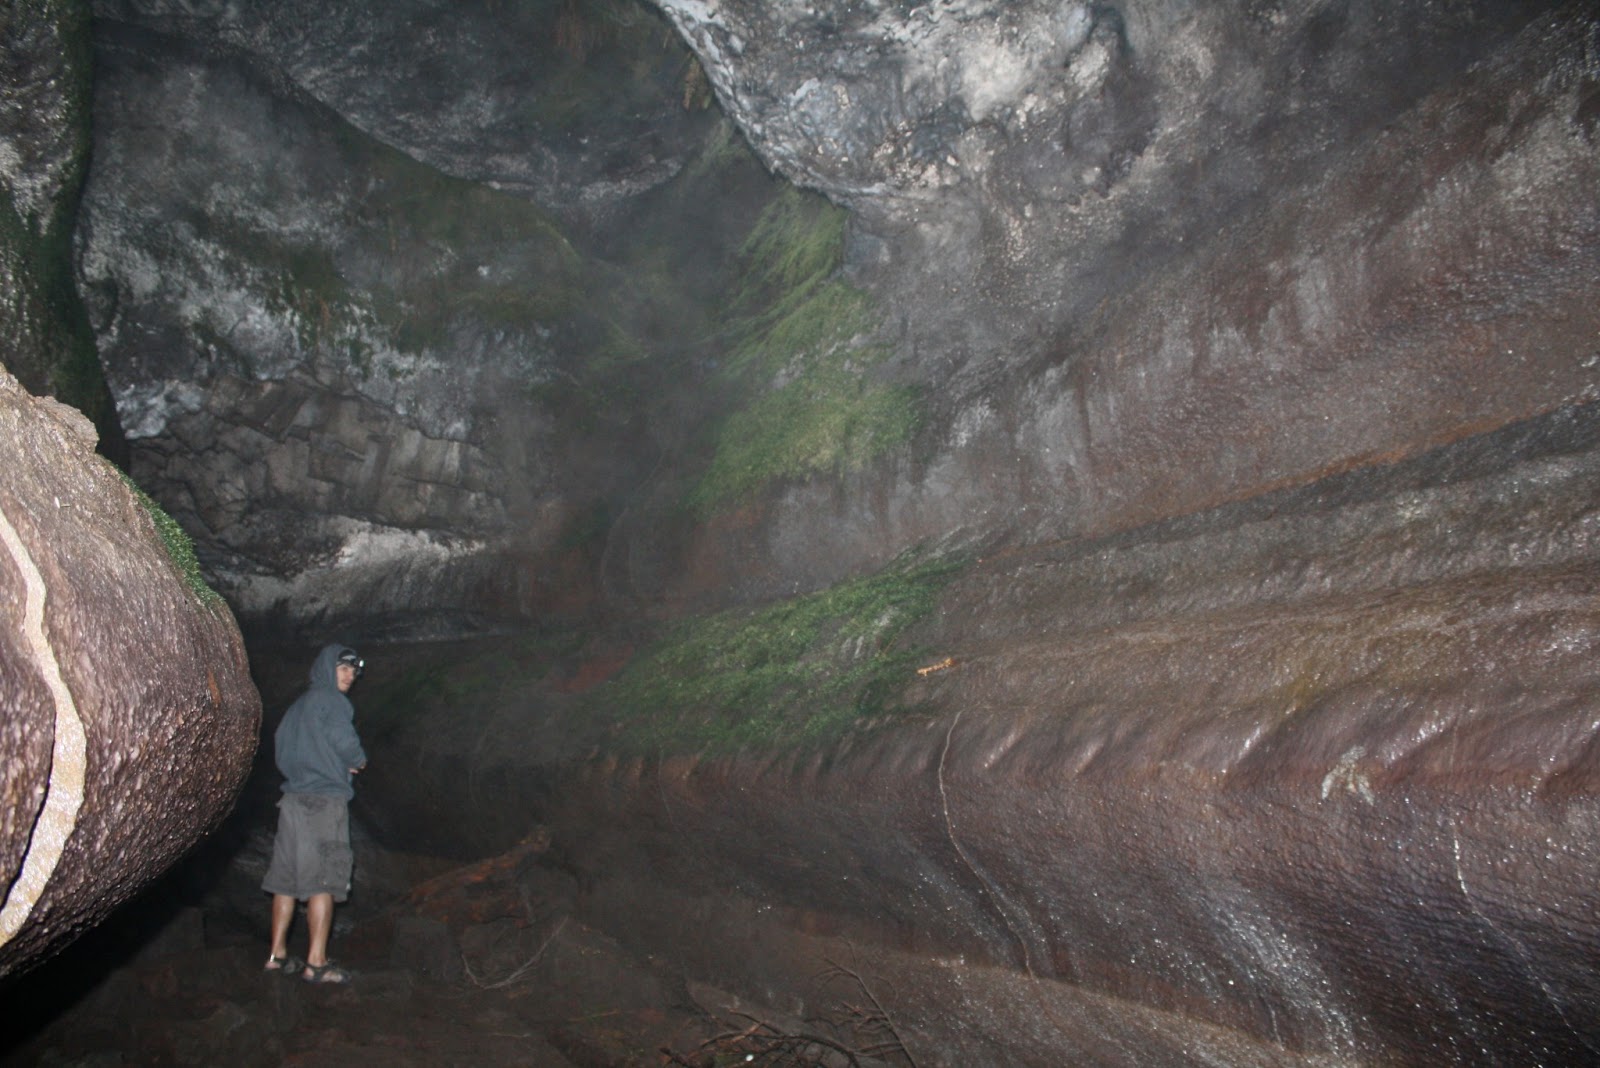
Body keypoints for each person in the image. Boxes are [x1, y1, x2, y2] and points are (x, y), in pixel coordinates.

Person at [261, 644, 368, 983]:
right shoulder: (333, 701)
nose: (350, 675)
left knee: (285, 881)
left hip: (292, 801)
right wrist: (357, 760)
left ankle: (277, 955)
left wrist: (313, 767)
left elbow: (283, 747)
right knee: (325, 877)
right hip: (323, 804)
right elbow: (343, 740)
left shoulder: (297, 707)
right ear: (327, 668)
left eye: (354, 671)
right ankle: (317, 963)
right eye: (344, 668)